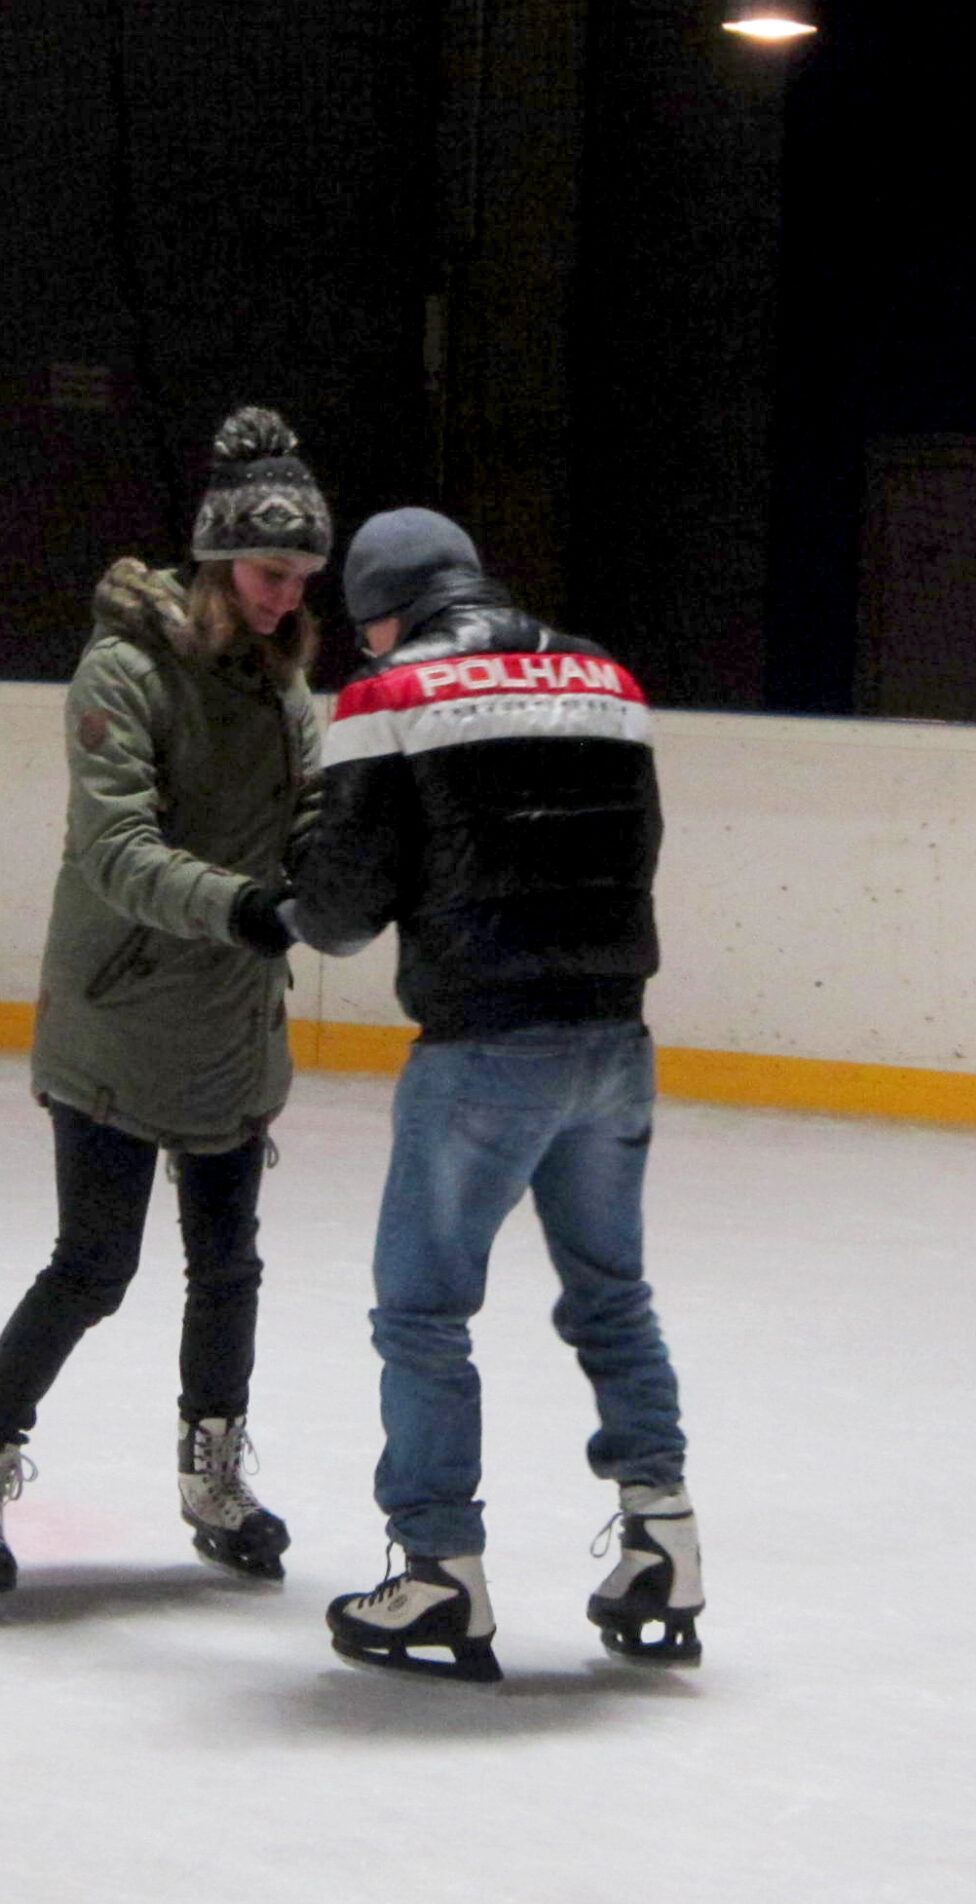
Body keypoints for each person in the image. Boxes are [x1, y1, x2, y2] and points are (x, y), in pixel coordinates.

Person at [0, 406, 330, 1622]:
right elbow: (115, 849)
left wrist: (343, 868)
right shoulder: (123, 672)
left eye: (302, 577)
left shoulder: (294, 692)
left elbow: (305, 829)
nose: (282, 597)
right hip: (117, 1010)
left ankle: (212, 1483)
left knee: (228, 1268)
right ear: (214, 560)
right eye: (265, 572)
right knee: (94, 1266)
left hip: (231, 1024)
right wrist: (249, 907)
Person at [287, 507, 700, 1681]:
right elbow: (637, 850)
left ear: (383, 605)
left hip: (483, 1048)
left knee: (421, 1313)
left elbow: (337, 915)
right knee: (611, 1297)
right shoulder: (607, 678)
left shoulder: (388, 697)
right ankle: (662, 1541)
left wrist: (300, 860)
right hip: (615, 1039)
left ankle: (437, 1576)